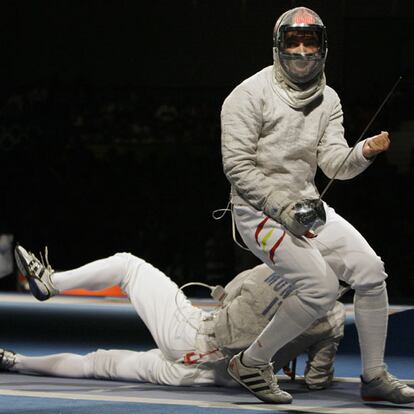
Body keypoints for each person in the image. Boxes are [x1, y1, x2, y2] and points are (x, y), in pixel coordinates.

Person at [221, 6, 414, 405]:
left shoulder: (329, 99)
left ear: (323, 47)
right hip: (258, 211)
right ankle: (251, 364)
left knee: (370, 271)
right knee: (321, 287)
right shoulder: (247, 95)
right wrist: (281, 206)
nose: (304, 50)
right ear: (279, 45)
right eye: (295, 41)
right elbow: (236, 167)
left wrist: (364, 151)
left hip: (307, 204)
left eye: (311, 41)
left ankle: (374, 376)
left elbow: (333, 165)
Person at [1, 245, 345, 399]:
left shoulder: (270, 269)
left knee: (127, 266)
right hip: (214, 379)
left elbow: (227, 299)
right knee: (101, 363)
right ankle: (15, 360)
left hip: (193, 337)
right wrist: (289, 354)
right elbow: (317, 380)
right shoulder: (332, 317)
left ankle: (51, 284)